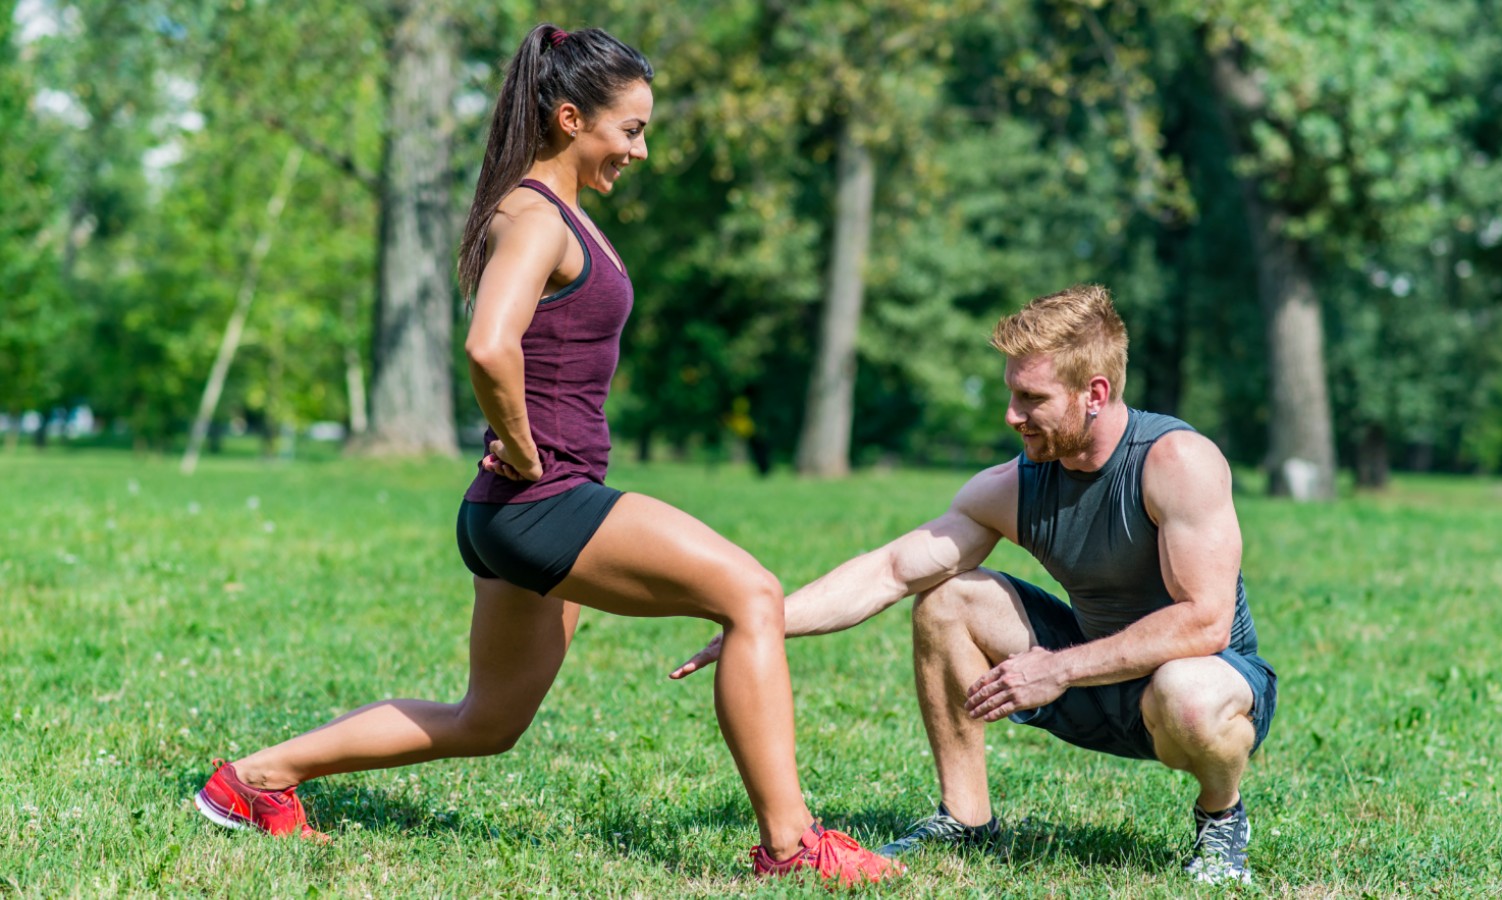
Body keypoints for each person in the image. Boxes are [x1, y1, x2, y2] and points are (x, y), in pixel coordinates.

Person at [193, 24, 899, 887]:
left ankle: (253, 781)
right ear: (570, 118)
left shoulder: (554, 214)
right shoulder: (532, 217)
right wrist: (527, 451)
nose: (640, 149)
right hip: (542, 500)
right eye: (629, 129)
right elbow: (489, 347)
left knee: (488, 719)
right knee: (752, 596)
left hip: (510, 512)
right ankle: (793, 848)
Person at [673, 285, 1277, 884]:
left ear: (1094, 394)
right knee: (947, 598)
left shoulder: (1176, 462)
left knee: (1187, 692)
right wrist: (761, 623)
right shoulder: (1016, 485)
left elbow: (1205, 621)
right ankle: (966, 818)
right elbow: (890, 571)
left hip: (1202, 681)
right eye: (1010, 392)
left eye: (1030, 397)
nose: (1011, 415)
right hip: (1095, 680)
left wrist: (1057, 669)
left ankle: (1220, 817)